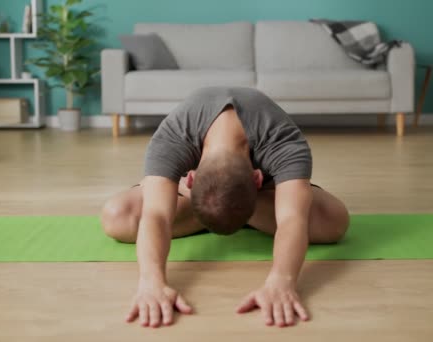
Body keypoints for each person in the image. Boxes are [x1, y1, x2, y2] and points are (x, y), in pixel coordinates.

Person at [101, 87, 349, 328]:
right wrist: (151, 282)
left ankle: (219, 209)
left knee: (334, 221)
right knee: (116, 216)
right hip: (223, 195)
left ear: (257, 178)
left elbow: (291, 219)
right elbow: (155, 215)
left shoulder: (281, 140)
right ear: (189, 178)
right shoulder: (174, 135)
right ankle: (225, 209)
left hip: (260, 194)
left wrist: (281, 281)